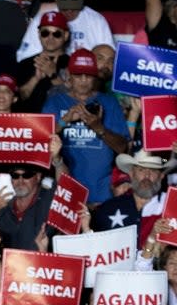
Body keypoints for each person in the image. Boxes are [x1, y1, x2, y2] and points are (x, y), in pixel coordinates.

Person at [43, 48, 128, 205]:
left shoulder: (109, 103)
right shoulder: (55, 102)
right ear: (69, 75)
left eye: (88, 75)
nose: (83, 80)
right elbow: (39, 145)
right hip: (66, 193)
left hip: (101, 194)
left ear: (95, 77)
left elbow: (122, 148)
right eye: (78, 75)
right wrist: (64, 120)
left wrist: (98, 127)